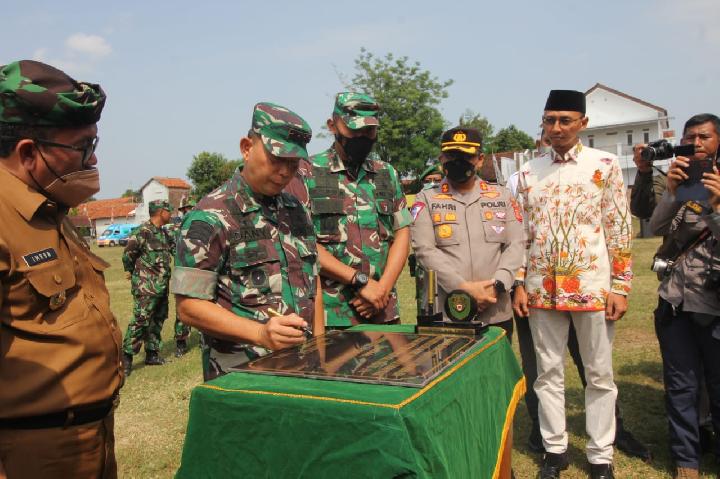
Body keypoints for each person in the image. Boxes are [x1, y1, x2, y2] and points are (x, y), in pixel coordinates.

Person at [0, 60, 121, 478]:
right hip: (34, 452)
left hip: (88, 438)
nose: (93, 158)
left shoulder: (49, 209)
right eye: (83, 146)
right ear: (29, 152)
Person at [513, 90, 633, 479]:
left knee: (599, 374)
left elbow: (618, 227)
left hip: (593, 287)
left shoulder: (606, 164)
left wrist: (621, 285)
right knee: (547, 373)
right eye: (549, 120)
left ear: (583, 122)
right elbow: (522, 233)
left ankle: (600, 455)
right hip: (541, 288)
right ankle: (555, 450)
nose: (556, 128)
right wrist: (518, 281)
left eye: (565, 120)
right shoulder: (528, 173)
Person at [171, 102, 323, 381]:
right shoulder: (209, 217)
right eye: (277, 159)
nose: (285, 172)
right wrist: (261, 334)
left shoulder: (296, 210)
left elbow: (314, 283)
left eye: (293, 164)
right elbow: (189, 307)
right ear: (246, 148)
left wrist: (320, 349)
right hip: (244, 377)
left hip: (303, 369)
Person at [285, 92, 412, 327]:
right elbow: (302, 244)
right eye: (354, 130)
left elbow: (402, 233)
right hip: (333, 317)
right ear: (333, 125)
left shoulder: (387, 173)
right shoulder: (306, 173)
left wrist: (382, 288)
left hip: (383, 311)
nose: (362, 137)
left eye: (369, 131)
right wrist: (362, 282)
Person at [647, 113, 720, 479]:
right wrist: (674, 194)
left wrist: (718, 207)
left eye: (704, 136)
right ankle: (685, 461)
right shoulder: (679, 182)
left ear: (717, 141)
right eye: (690, 137)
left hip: (714, 304)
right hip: (675, 300)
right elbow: (655, 228)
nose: (696, 143)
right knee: (680, 386)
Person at [410, 126, 524, 337]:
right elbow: (424, 250)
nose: (458, 161)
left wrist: (496, 286)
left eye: (465, 156)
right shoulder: (426, 199)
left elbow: (515, 245)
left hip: (495, 309)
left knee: (495, 370)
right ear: (441, 158)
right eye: (452, 155)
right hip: (445, 312)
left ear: (480, 159)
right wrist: (463, 289)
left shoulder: (502, 197)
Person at [121, 199, 174, 374]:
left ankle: (152, 354)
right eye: (169, 211)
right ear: (161, 212)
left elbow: (175, 251)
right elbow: (128, 254)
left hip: (162, 286)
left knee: (157, 320)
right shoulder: (143, 232)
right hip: (146, 286)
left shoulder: (164, 234)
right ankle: (126, 358)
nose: (171, 214)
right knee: (141, 321)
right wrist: (132, 272)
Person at [173, 197, 195, 357]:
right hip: (184, 270)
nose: (188, 212)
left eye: (191, 208)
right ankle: (181, 341)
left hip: (205, 268)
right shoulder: (176, 228)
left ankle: (206, 338)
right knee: (185, 305)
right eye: (186, 209)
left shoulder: (207, 220)